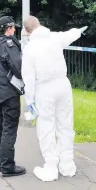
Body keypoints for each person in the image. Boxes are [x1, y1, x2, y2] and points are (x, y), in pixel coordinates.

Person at [21, 15, 88, 182]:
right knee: (65, 125)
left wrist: (29, 101)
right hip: (63, 85)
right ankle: (67, 165)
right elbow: (71, 34)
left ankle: (51, 166)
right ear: (39, 24)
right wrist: (80, 30)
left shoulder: (30, 49)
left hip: (44, 88)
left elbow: (28, 78)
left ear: (28, 32)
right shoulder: (55, 37)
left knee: (46, 126)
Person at [0, 16, 26, 177]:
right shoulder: (8, 44)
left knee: (0, 125)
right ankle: (8, 167)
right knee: (9, 128)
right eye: (13, 28)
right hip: (8, 91)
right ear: (9, 28)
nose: (15, 30)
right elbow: (18, 67)